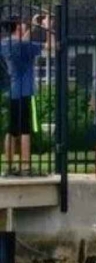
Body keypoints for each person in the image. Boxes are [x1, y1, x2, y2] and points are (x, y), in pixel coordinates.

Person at [1, 13, 49, 175]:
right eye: (22, 24)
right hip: (27, 91)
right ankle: (26, 167)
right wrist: (48, 28)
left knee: (12, 130)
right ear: (17, 26)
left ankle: (9, 167)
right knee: (26, 130)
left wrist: (33, 28)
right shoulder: (24, 46)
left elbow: (22, 42)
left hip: (13, 92)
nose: (24, 25)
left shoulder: (5, 44)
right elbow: (50, 46)